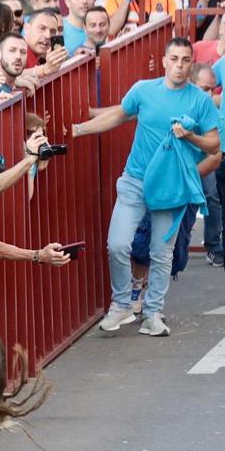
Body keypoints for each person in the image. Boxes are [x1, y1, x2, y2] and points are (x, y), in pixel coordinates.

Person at [71, 37, 220, 337]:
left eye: (185, 60)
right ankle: (122, 304)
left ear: (191, 64)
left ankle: (153, 313)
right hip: (135, 179)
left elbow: (214, 144)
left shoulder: (200, 101)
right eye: (174, 59)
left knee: (160, 253)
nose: (179, 66)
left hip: (171, 186)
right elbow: (120, 114)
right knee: (117, 244)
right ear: (164, 61)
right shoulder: (143, 89)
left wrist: (190, 136)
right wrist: (79, 129)